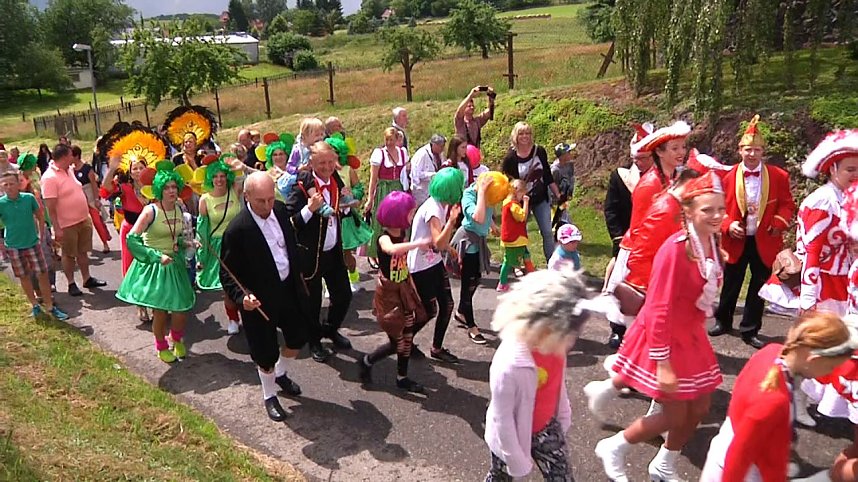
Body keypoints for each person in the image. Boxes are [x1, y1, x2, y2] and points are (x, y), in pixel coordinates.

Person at [591, 171, 726, 482]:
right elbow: (660, 309)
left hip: (692, 336)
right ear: (689, 211)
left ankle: (664, 464)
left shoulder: (711, 243)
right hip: (665, 336)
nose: (716, 215)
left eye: (720, 208)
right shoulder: (676, 248)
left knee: (701, 406)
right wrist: (663, 363)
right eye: (708, 209)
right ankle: (614, 446)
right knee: (675, 413)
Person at [699, 311, 857, 482]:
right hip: (741, 473)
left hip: (731, 452)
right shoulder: (773, 401)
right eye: (832, 367)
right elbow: (739, 456)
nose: (832, 372)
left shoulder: (772, 352)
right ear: (814, 360)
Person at [484, 269, 593, 481]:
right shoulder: (510, 364)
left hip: (546, 426)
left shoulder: (555, 345)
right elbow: (502, 417)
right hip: (511, 436)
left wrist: (563, 415)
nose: (573, 339)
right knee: (500, 477)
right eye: (569, 332)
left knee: (562, 477)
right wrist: (515, 459)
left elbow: (557, 384)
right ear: (546, 327)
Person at [220, 172, 309, 422]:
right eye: (261, 201)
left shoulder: (279, 212)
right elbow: (227, 274)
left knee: (299, 336)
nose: (268, 206)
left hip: (287, 289)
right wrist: (242, 297)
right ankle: (269, 394)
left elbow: (289, 245)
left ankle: (280, 373)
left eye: (271, 199)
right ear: (247, 197)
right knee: (265, 351)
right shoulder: (237, 230)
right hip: (258, 300)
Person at [710, 115, 796, 349]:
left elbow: (787, 204)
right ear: (740, 150)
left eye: (756, 150)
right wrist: (728, 225)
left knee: (759, 286)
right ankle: (723, 321)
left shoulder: (779, 176)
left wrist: (778, 223)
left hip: (765, 239)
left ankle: (750, 329)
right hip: (735, 239)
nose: (752, 154)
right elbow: (716, 206)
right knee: (731, 283)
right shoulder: (727, 177)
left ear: (762, 152)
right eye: (748, 149)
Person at [798, 129, 858, 432]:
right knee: (814, 346)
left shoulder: (849, 198)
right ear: (832, 169)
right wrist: (808, 297)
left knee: (834, 346)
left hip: (843, 281)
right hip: (822, 282)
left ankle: (823, 400)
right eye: (850, 169)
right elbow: (811, 251)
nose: (855, 175)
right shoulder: (822, 201)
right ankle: (798, 402)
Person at [116, 166, 196, 363]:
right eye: (167, 187)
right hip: (156, 266)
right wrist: (155, 256)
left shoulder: (179, 209)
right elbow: (132, 239)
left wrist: (188, 243)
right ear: (159, 190)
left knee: (181, 308)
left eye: (174, 187)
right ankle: (161, 346)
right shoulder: (150, 211)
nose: (171, 191)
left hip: (174, 263)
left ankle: (176, 338)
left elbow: (174, 235)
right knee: (160, 311)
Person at [284, 141, 354, 363]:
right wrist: (308, 210)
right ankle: (314, 342)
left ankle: (330, 330)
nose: (327, 166)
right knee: (312, 303)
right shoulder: (301, 186)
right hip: (310, 255)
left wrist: (348, 206)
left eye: (330, 161)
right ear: (311, 162)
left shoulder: (335, 180)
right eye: (322, 162)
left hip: (333, 251)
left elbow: (340, 209)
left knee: (343, 295)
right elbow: (289, 224)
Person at [358, 191, 431, 393]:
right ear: (398, 215)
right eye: (410, 212)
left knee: (406, 338)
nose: (413, 215)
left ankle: (402, 378)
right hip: (389, 295)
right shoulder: (384, 238)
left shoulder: (403, 234)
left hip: (403, 291)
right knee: (396, 342)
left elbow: (403, 263)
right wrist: (418, 244)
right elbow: (392, 250)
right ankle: (367, 361)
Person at [408, 167, 464, 363]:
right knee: (428, 311)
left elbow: (437, 242)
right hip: (421, 266)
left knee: (447, 304)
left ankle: (436, 348)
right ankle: (404, 339)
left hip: (433, 261)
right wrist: (451, 222)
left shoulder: (438, 204)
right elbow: (438, 241)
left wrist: (449, 249)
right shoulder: (434, 209)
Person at [41, 144, 107, 297]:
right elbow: (50, 206)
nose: (74, 157)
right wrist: (56, 228)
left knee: (83, 251)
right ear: (64, 157)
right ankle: (71, 283)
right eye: (71, 155)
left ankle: (87, 278)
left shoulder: (69, 170)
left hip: (82, 219)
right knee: (69, 254)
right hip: (67, 224)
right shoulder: (49, 177)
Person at [0, 172, 68, 321]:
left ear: (18, 184)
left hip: (32, 243)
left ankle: (50, 305)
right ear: (1, 186)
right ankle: (35, 305)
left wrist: (41, 236)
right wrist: (2, 245)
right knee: (24, 276)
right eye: (5, 184)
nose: (9, 187)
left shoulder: (28, 198)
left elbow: (40, 216)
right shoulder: (1, 203)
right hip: (13, 246)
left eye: (12, 183)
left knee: (42, 274)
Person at [452, 171, 508, 345]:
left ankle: (461, 311)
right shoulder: (469, 195)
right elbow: (478, 216)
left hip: (479, 240)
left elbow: (487, 212)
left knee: (476, 279)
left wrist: (492, 225)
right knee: (468, 284)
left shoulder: (487, 195)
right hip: (468, 241)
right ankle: (471, 326)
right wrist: (482, 193)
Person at [502, 122, 562, 261]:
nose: (525, 136)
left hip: (541, 198)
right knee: (519, 234)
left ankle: (552, 263)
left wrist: (558, 195)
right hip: (520, 202)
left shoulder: (539, 151)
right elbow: (507, 182)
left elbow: (547, 175)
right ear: (515, 136)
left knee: (547, 232)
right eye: (521, 133)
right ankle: (519, 262)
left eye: (527, 133)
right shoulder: (511, 158)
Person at [196, 157, 242, 335]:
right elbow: (202, 230)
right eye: (215, 176)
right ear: (210, 179)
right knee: (228, 287)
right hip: (219, 247)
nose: (219, 180)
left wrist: (237, 164)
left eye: (222, 175)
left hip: (239, 242)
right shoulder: (204, 200)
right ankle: (232, 318)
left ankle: (248, 314)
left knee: (247, 282)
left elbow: (247, 176)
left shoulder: (236, 190)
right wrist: (202, 255)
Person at [326, 135, 372, 292]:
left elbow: (359, 190)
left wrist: (352, 193)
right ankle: (329, 286)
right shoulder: (320, 172)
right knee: (328, 255)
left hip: (345, 218)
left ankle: (353, 278)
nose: (332, 155)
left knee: (346, 253)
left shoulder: (347, 170)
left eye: (334, 152)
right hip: (328, 218)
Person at [364, 127, 410, 262]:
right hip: (384, 189)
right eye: (387, 140)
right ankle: (376, 252)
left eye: (391, 139)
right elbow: (373, 178)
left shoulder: (402, 152)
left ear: (397, 139)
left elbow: (405, 172)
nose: (389, 142)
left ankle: (400, 248)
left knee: (401, 219)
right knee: (382, 220)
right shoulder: (379, 154)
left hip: (399, 187)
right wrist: (370, 198)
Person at [72, 145, 111, 254]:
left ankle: (105, 243)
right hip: (78, 200)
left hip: (90, 197)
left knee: (97, 221)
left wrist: (96, 198)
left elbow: (93, 184)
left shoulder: (87, 168)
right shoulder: (70, 170)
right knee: (81, 224)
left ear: (76, 156)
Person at [497, 179, 535, 292]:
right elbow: (522, 216)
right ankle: (502, 283)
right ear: (517, 192)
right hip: (515, 239)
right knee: (508, 261)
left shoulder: (506, 202)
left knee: (526, 256)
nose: (522, 197)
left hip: (514, 238)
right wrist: (526, 203)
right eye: (522, 194)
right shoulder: (513, 205)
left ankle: (534, 279)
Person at [410, 134, 446, 206]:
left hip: (434, 190)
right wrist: (432, 175)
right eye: (441, 146)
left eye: (443, 146)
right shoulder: (422, 154)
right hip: (421, 191)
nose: (442, 149)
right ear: (434, 144)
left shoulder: (440, 154)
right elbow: (416, 174)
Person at [550, 142, 576, 227]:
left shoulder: (570, 165)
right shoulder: (555, 170)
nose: (570, 154)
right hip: (555, 201)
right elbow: (551, 186)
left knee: (564, 219)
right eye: (568, 152)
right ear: (562, 156)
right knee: (559, 221)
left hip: (565, 198)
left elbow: (571, 179)